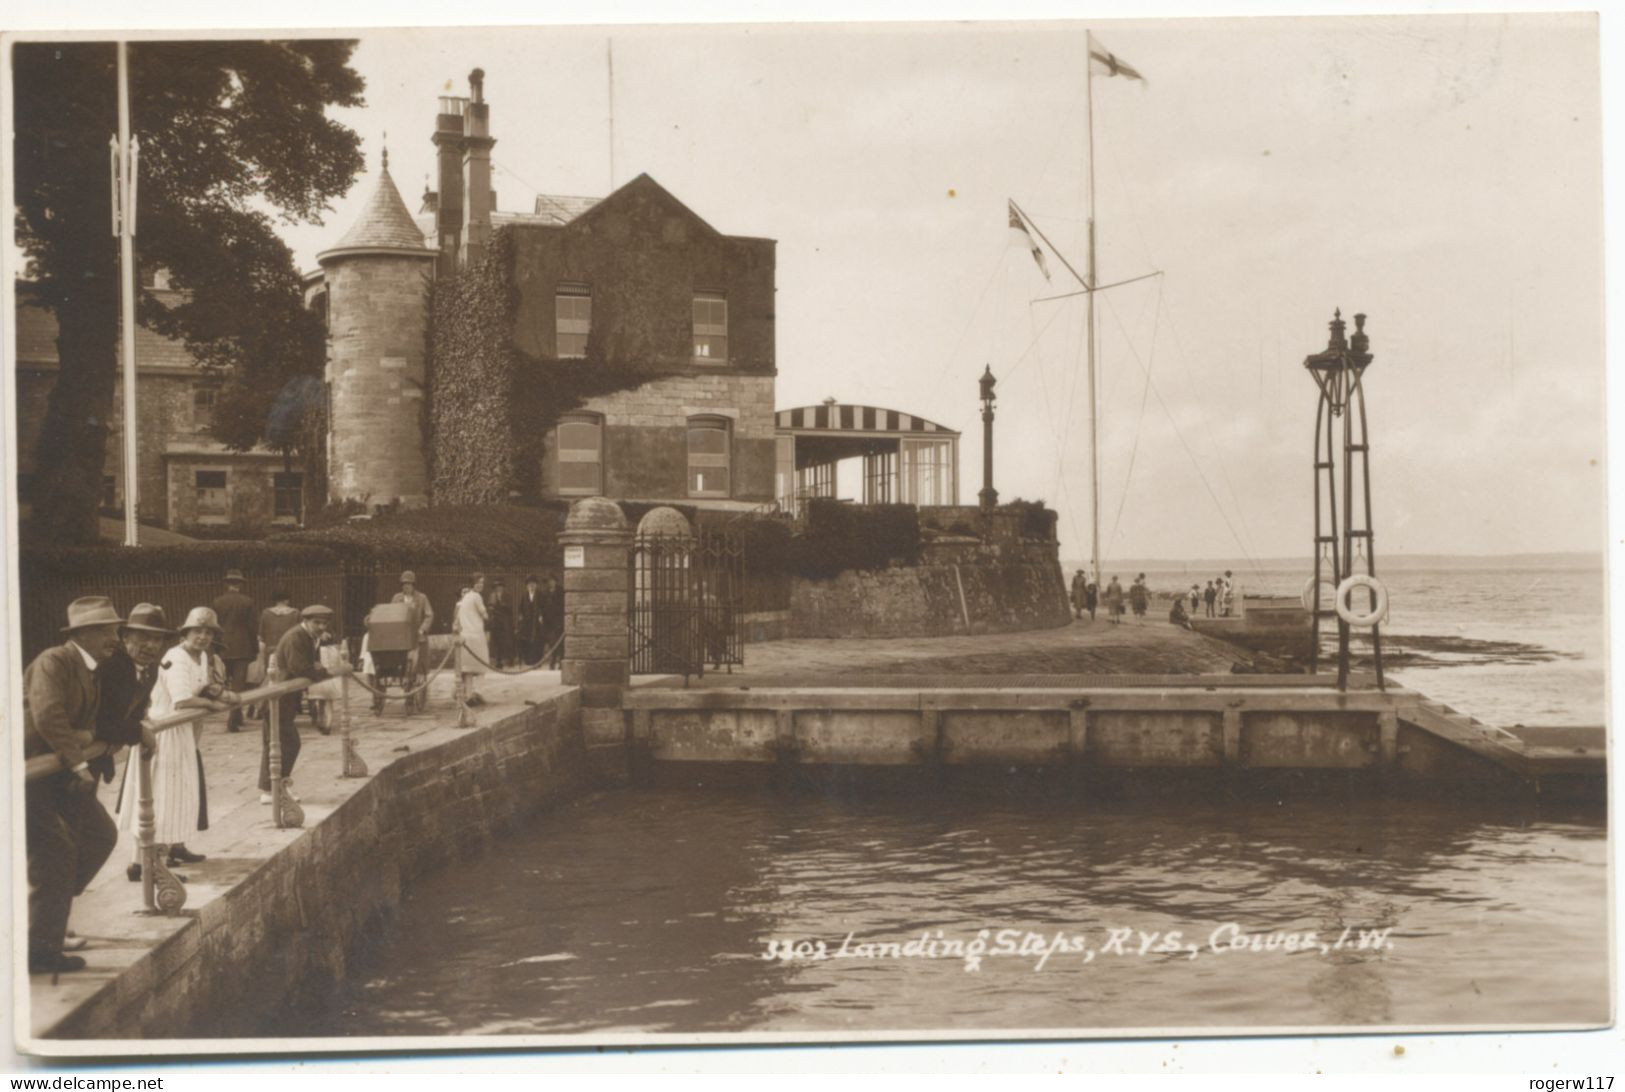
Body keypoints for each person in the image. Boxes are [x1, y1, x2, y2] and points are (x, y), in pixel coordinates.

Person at [24, 597, 124, 975]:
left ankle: (48, 913)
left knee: (100, 835)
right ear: (82, 633)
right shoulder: (55, 660)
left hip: (56, 771)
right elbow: (48, 714)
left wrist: (95, 737)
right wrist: (79, 760)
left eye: (113, 629)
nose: (113, 637)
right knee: (55, 850)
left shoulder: (91, 668)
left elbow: (85, 721)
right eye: (105, 630)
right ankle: (41, 949)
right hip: (30, 768)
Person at [116, 606, 237, 879]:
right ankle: (149, 866)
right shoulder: (176, 657)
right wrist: (212, 704)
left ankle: (148, 861)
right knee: (161, 798)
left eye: (208, 632)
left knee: (174, 797)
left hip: (182, 733)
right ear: (185, 632)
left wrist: (217, 692)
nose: (203, 637)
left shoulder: (202, 657)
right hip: (165, 732)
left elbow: (201, 685)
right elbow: (182, 699)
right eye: (198, 631)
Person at [263, 604, 346, 803]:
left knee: (275, 741)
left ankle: (270, 790)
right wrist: (328, 672)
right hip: (278, 695)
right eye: (316, 622)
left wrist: (315, 667)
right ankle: (276, 788)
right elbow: (300, 667)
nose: (320, 626)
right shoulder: (296, 636)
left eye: (323, 623)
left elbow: (308, 665)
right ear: (306, 621)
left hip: (286, 696)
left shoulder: (308, 637)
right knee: (289, 742)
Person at [211, 569, 256, 733]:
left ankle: (237, 717)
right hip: (243, 647)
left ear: (226, 584)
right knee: (238, 684)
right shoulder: (248, 601)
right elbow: (252, 627)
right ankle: (233, 719)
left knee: (226, 682)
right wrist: (255, 648)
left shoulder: (217, 602)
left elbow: (214, 627)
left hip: (223, 647)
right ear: (240, 585)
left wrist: (216, 647)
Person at [453, 574, 490, 706]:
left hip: (465, 637)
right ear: (472, 583)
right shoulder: (477, 597)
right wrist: (487, 615)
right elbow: (485, 615)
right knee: (481, 665)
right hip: (476, 635)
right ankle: (478, 693)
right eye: (478, 582)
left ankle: (468, 695)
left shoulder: (465, 597)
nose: (480, 585)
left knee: (467, 669)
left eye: (482, 582)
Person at [391, 570, 435, 678]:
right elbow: (391, 613)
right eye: (404, 584)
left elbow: (429, 615)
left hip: (417, 631)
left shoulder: (422, 598)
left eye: (409, 583)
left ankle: (420, 673)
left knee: (421, 650)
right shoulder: (397, 598)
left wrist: (422, 629)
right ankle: (398, 671)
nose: (406, 586)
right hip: (401, 633)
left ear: (413, 585)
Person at [257, 589, 301, 679]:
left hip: (270, 650)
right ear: (287, 600)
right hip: (289, 651)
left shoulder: (266, 613)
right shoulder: (295, 613)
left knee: (271, 676)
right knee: (289, 676)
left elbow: (261, 636)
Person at [516, 574, 545, 666]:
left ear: (536, 585)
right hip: (527, 623)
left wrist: (541, 615)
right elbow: (520, 608)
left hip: (536, 622)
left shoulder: (540, 594)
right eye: (529, 585)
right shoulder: (524, 595)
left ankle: (538, 661)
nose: (531, 586)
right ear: (527, 586)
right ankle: (529, 660)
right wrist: (520, 616)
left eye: (533, 584)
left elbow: (544, 607)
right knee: (527, 641)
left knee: (537, 641)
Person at [487, 579, 515, 668]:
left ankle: (510, 659)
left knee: (507, 641)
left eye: (500, 587)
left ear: (503, 588)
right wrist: (491, 609)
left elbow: (510, 608)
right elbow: (489, 606)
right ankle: (498, 661)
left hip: (505, 622)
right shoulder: (492, 596)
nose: (498, 589)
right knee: (496, 642)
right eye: (497, 587)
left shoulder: (507, 596)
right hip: (496, 622)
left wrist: (502, 604)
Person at [544, 575, 565, 668]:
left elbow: (563, 605)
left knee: (560, 642)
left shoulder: (561, 591)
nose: (551, 583)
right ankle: (552, 661)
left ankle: (561, 661)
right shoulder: (545, 592)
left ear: (556, 581)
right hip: (549, 621)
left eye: (552, 581)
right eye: (549, 581)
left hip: (559, 620)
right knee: (551, 641)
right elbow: (543, 606)